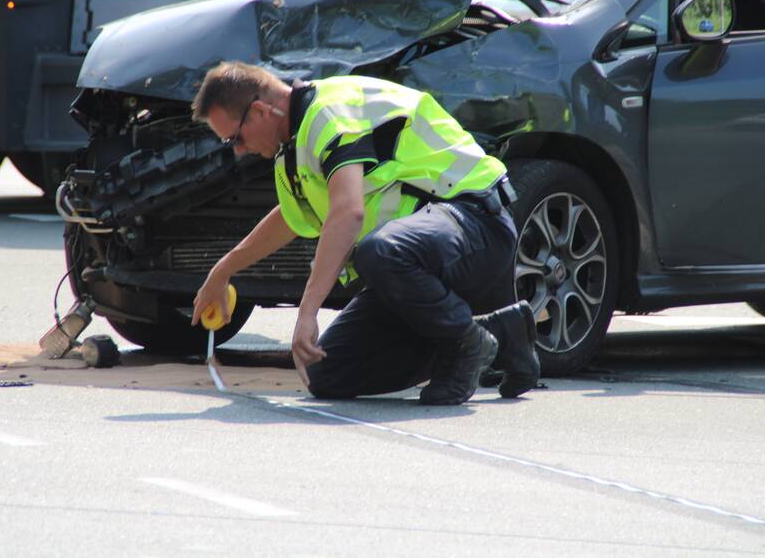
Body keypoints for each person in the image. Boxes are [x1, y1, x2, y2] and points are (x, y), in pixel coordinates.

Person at [190, 61, 540, 405]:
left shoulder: (328, 114)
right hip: (419, 258)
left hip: (476, 222)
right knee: (326, 372)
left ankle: (465, 344)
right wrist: (223, 271)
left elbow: (348, 212)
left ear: (260, 111)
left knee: (379, 252)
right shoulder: (292, 148)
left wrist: (307, 312)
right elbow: (290, 219)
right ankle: (499, 336)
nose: (237, 150)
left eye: (235, 138)